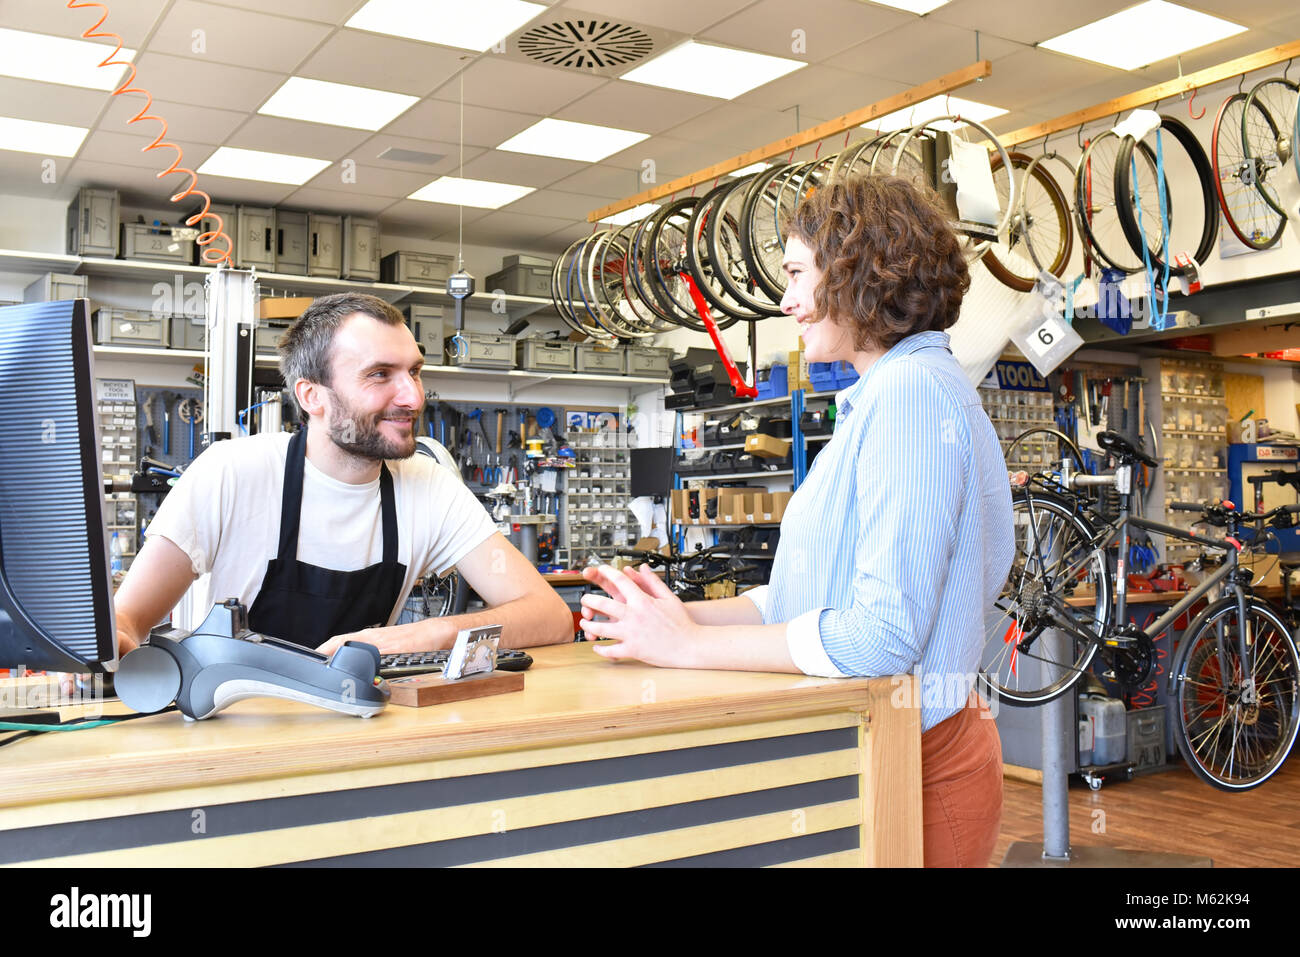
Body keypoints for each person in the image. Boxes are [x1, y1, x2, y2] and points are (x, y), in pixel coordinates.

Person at [579, 175, 1015, 867]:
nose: (785, 302)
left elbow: (881, 636)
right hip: (885, 750)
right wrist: (678, 619)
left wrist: (688, 649)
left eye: (794, 275)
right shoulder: (887, 395)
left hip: (919, 766)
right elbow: (806, 598)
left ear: (856, 274)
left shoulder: (909, 397)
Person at [108, 292, 573, 661]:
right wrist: (104, 650)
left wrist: (420, 637)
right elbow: (127, 618)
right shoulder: (232, 472)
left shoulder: (426, 485)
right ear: (313, 396)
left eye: (414, 371)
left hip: (363, 727)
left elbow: (549, 615)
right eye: (379, 374)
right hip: (236, 729)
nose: (412, 396)